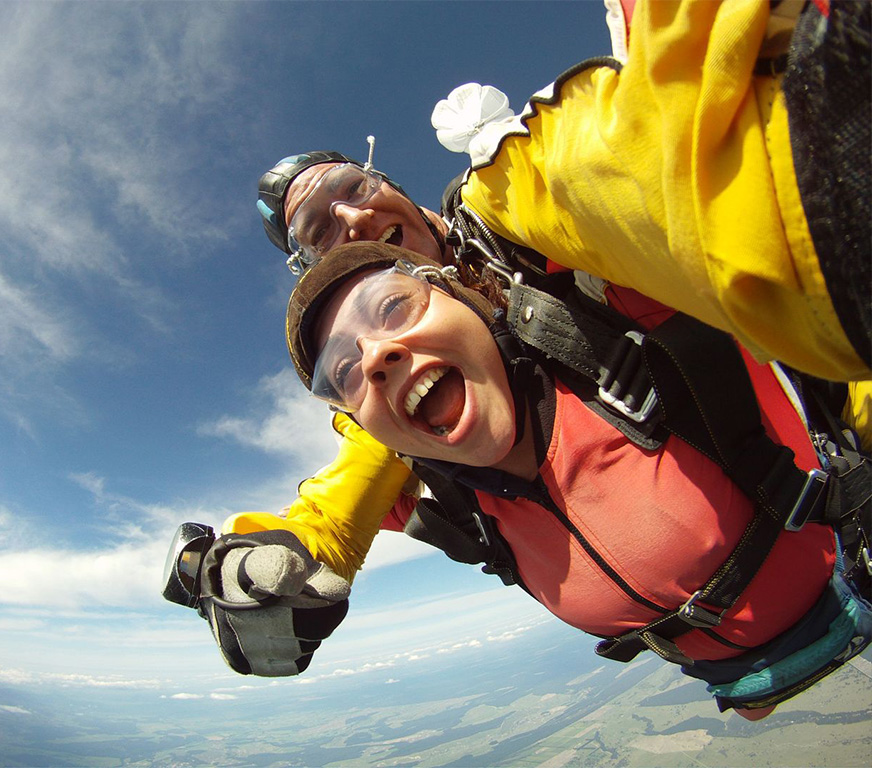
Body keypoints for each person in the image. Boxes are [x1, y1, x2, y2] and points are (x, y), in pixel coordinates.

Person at [277, 239, 872, 717]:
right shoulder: (457, 507)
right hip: (742, 687)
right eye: (345, 371)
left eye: (393, 306)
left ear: (461, 295)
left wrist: (496, 185)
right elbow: (327, 520)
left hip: (852, 578)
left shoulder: (616, 333)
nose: (376, 356)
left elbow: (644, 193)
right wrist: (247, 564)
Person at [432, 0, 870, 387]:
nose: (361, 216)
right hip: (805, 237)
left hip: (805, 263)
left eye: (363, 185)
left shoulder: (506, 183)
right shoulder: (508, 179)